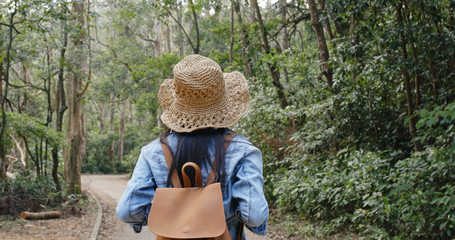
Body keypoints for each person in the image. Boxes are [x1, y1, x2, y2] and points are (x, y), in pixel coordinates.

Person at [116, 54, 269, 239]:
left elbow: (127, 211)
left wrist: (170, 215)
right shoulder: (243, 151)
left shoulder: (153, 152)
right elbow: (254, 216)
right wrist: (224, 216)